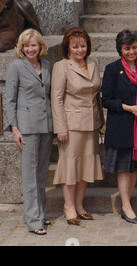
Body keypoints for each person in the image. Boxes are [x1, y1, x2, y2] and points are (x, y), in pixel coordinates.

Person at [102, 29, 137, 224]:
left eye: (134, 47)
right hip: (122, 125)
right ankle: (125, 205)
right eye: (127, 48)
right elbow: (106, 100)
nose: (131, 52)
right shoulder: (112, 69)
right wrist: (128, 108)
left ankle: (128, 202)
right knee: (123, 167)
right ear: (120, 49)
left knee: (134, 167)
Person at [51, 27, 105, 226]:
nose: (79, 50)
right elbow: (56, 99)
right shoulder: (61, 66)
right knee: (70, 166)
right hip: (71, 125)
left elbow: (97, 95)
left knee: (87, 166)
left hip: (91, 123)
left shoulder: (93, 62)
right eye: (75, 47)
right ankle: (69, 206)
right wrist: (60, 128)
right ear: (68, 48)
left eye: (82, 46)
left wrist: (101, 122)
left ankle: (80, 204)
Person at [5, 29, 52, 235]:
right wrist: (14, 128)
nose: (30, 49)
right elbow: (10, 100)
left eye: (33, 45)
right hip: (26, 127)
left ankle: (40, 212)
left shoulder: (48, 65)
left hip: (46, 126)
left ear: (40, 46)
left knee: (41, 174)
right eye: (26, 46)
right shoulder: (16, 67)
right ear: (21, 48)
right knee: (30, 176)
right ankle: (33, 220)